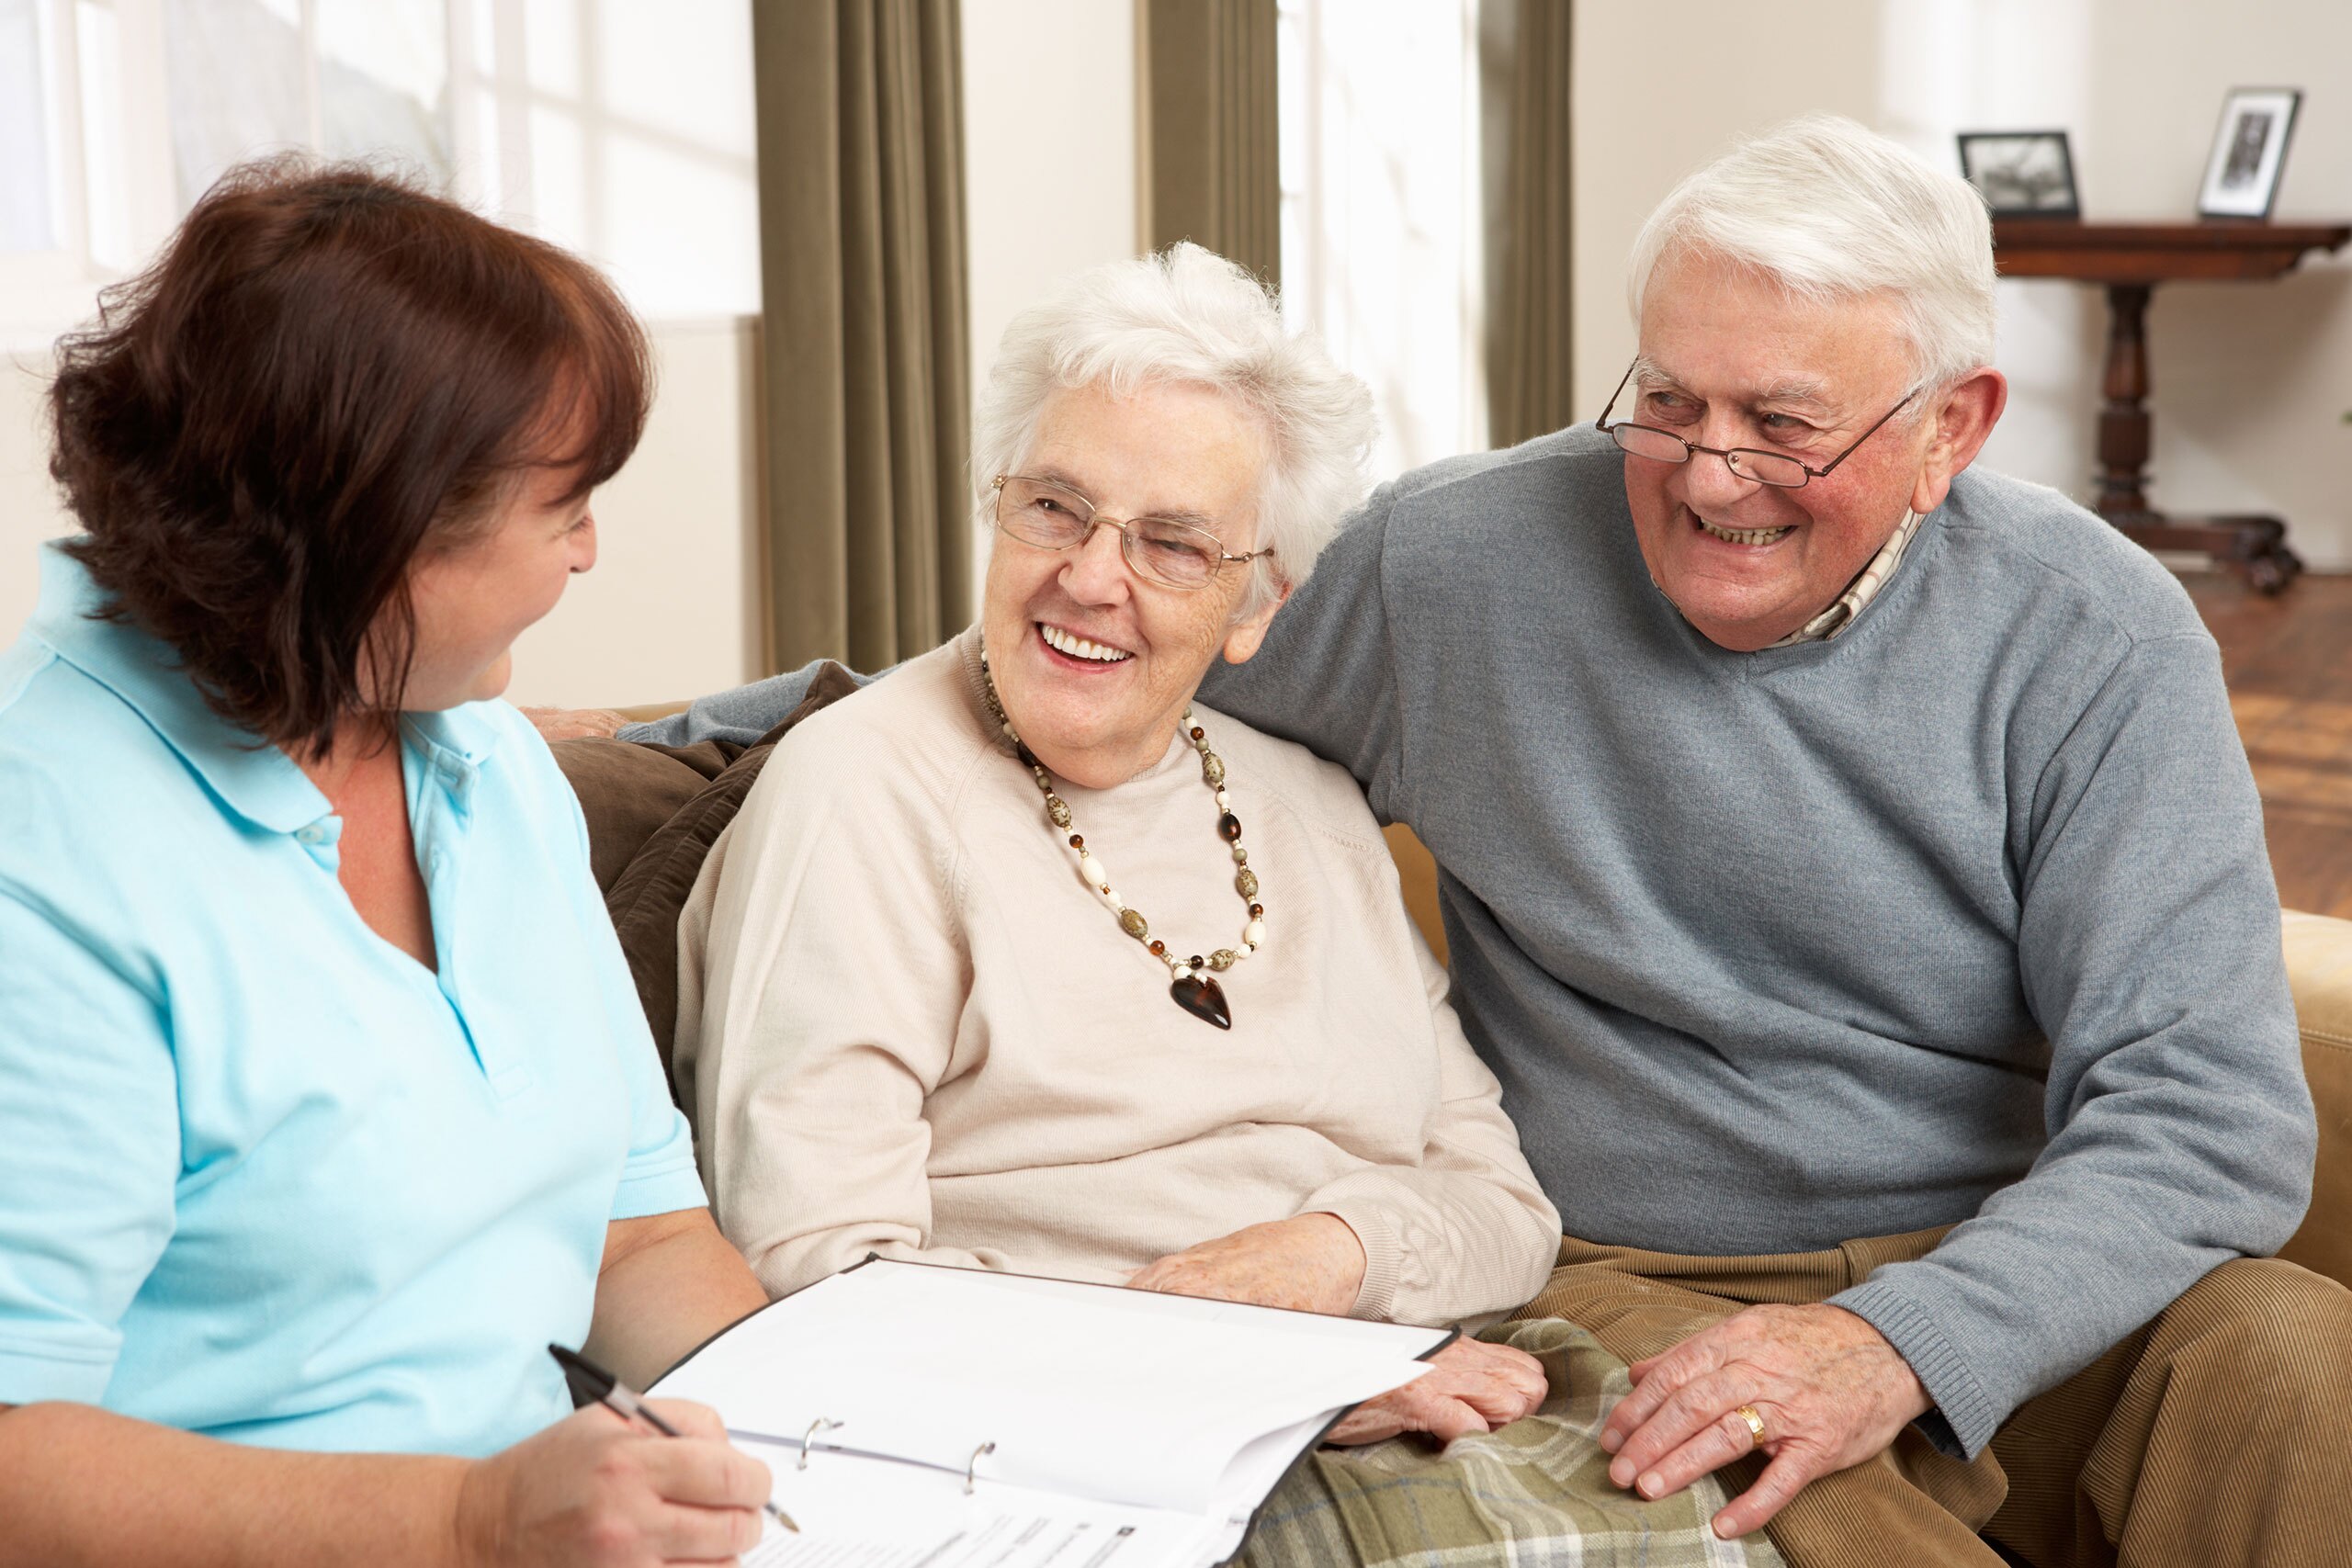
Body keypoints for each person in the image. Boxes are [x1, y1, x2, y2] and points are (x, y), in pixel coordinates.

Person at [578, 118, 2351, 1568]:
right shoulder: (1460, 564)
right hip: (1641, 1274)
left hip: (2015, 1258)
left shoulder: (2096, 637)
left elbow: (2208, 1119)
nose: (1709, 470)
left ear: (1950, 427)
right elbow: (1124, 631)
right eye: (1668, 398)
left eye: (1785, 423)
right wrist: (672, 733)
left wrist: (1901, 1342)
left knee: (2295, 1365)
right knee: (1734, 1476)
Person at [674, 246, 1785, 1565]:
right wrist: (1244, 1379)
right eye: (1053, 508)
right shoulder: (859, 795)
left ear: (1260, 605)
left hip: (1392, 1367)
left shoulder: (1313, 807)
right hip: (1052, 1444)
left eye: (1173, 543)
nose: (1093, 578)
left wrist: (1337, 1259)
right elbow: (820, 1273)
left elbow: (1504, 1206)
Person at [0, 163, 778, 1567]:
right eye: (564, 505)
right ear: (378, 534)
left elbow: (637, 1243)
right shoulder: (45, 855)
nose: (592, 551)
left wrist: (846, 1433)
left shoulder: (482, 766)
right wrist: (465, 1523)